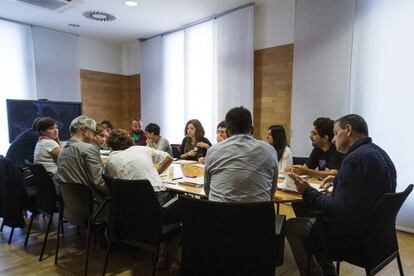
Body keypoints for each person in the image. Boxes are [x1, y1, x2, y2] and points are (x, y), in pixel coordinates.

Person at [286, 114, 397, 276]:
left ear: (349, 129)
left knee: (292, 226)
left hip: (354, 240)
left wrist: (307, 190)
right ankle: (328, 270)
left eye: (336, 133)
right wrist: (339, 179)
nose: (333, 139)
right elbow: (367, 191)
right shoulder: (379, 153)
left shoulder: (354, 159)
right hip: (380, 239)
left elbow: (338, 210)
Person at [204, 106, 278, 202]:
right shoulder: (270, 151)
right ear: (252, 130)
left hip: (220, 214)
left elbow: (207, 189)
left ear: (227, 132)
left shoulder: (213, 150)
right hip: (258, 214)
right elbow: (272, 190)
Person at [105, 129, 173, 202]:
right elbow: (169, 158)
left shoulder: (111, 160)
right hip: (155, 198)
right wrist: (155, 173)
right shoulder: (142, 149)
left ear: (110, 146)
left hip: (128, 202)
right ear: (130, 140)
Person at [54, 116, 109, 204]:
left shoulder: (63, 149)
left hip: (70, 205)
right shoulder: (89, 148)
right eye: (93, 132)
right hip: (91, 204)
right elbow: (98, 182)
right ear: (84, 131)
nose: (93, 136)